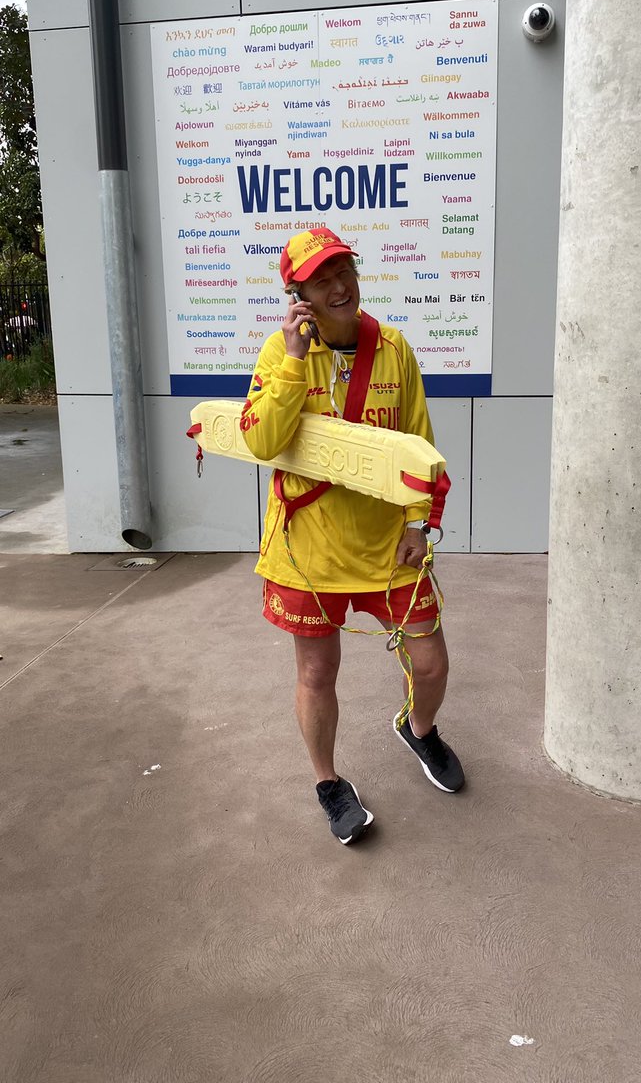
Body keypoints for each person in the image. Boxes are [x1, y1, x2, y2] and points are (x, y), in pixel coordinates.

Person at [240, 227, 464, 844]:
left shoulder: (392, 348)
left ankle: (419, 730)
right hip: (305, 549)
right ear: (299, 294)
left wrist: (420, 522)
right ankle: (328, 783)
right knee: (317, 673)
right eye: (322, 278)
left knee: (431, 661)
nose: (339, 285)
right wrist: (291, 359)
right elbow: (262, 441)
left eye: (345, 271)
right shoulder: (277, 355)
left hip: (390, 545)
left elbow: (420, 442)